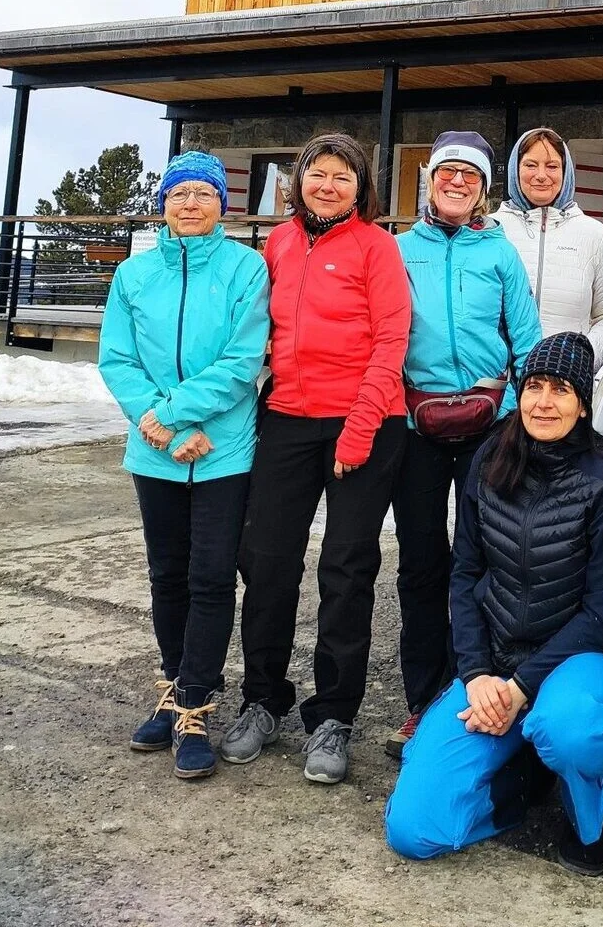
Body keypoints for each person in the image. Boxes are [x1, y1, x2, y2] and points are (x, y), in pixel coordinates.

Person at [384, 332, 603, 874]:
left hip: (581, 663)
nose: (543, 402)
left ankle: (587, 820)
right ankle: (526, 782)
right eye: (533, 386)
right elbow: (466, 572)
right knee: (413, 829)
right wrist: (477, 672)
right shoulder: (490, 460)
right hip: (496, 669)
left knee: (568, 728)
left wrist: (522, 686)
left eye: (560, 390)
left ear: (582, 403)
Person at [221, 132, 411, 786]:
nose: (328, 185)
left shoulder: (376, 246)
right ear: (298, 180)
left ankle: (332, 713)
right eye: (317, 174)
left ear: (362, 188)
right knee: (266, 558)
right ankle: (263, 696)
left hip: (365, 418)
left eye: (342, 176)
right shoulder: (277, 242)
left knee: (346, 566)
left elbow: (392, 339)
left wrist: (358, 427)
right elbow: (259, 327)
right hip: (288, 417)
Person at [98, 150, 269, 780]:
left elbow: (242, 358)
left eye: (202, 193)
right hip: (157, 452)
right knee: (167, 575)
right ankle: (174, 688)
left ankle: (198, 701)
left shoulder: (246, 268)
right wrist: (161, 423)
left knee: (210, 576)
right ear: (163, 203)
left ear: (222, 203)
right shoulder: (134, 276)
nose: (190, 203)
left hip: (222, 449)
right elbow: (117, 358)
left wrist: (177, 417)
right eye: (178, 194)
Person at [387, 130, 542, 757]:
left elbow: (527, 341)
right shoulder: (399, 250)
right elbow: (383, 335)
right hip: (417, 428)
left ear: (483, 189)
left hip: (489, 428)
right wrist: (402, 405)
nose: (456, 182)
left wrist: (507, 410)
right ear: (429, 180)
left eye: (470, 176)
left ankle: (476, 685)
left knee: (486, 564)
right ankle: (424, 699)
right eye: (447, 172)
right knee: (422, 562)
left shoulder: (500, 253)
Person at [495, 126, 603, 369]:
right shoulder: (491, 230)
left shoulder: (595, 235)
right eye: (531, 165)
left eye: (552, 166)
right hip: (498, 385)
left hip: (564, 384)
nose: (541, 175)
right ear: (515, 169)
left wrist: (579, 357)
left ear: (566, 172)